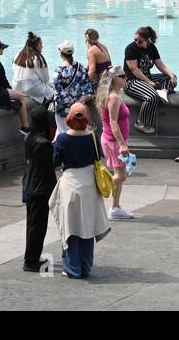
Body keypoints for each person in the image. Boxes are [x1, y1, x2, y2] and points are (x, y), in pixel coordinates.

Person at [50, 102, 111, 278]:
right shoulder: (92, 136)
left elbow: (55, 162)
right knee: (87, 227)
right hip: (90, 185)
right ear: (86, 118)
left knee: (71, 228)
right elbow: (98, 157)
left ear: (69, 117)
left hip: (70, 185)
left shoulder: (62, 139)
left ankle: (72, 268)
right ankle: (86, 266)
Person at [123, 25, 177, 135]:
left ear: (148, 40)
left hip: (148, 78)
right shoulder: (130, 48)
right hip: (132, 81)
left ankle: (163, 91)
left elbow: (160, 64)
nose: (137, 42)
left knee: (169, 78)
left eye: (140, 41)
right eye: (135, 40)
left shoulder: (151, 47)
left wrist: (171, 75)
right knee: (152, 97)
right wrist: (150, 83)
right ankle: (141, 123)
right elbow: (134, 69)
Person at [97, 66, 135, 220]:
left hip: (113, 140)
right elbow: (113, 122)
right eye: (123, 76)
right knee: (121, 176)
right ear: (115, 79)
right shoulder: (113, 97)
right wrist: (122, 144)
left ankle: (115, 207)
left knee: (119, 174)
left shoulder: (112, 95)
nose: (126, 78)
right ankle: (99, 189)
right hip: (113, 142)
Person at [22, 105, 57, 272]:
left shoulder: (30, 137)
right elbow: (49, 167)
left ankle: (32, 256)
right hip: (40, 189)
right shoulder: (44, 144)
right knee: (38, 226)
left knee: (32, 224)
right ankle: (31, 261)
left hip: (30, 187)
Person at [52, 40, 94, 134]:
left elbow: (59, 93)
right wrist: (77, 103)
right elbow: (88, 89)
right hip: (79, 109)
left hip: (63, 110)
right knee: (79, 133)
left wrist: (70, 104)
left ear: (61, 53)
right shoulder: (81, 67)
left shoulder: (58, 71)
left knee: (62, 132)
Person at [13, 33, 55, 107]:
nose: (42, 46)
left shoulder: (18, 54)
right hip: (31, 89)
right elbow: (46, 79)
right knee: (53, 92)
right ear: (35, 46)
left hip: (16, 86)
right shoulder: (38, 58)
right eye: (40, 45)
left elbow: (14, 70)